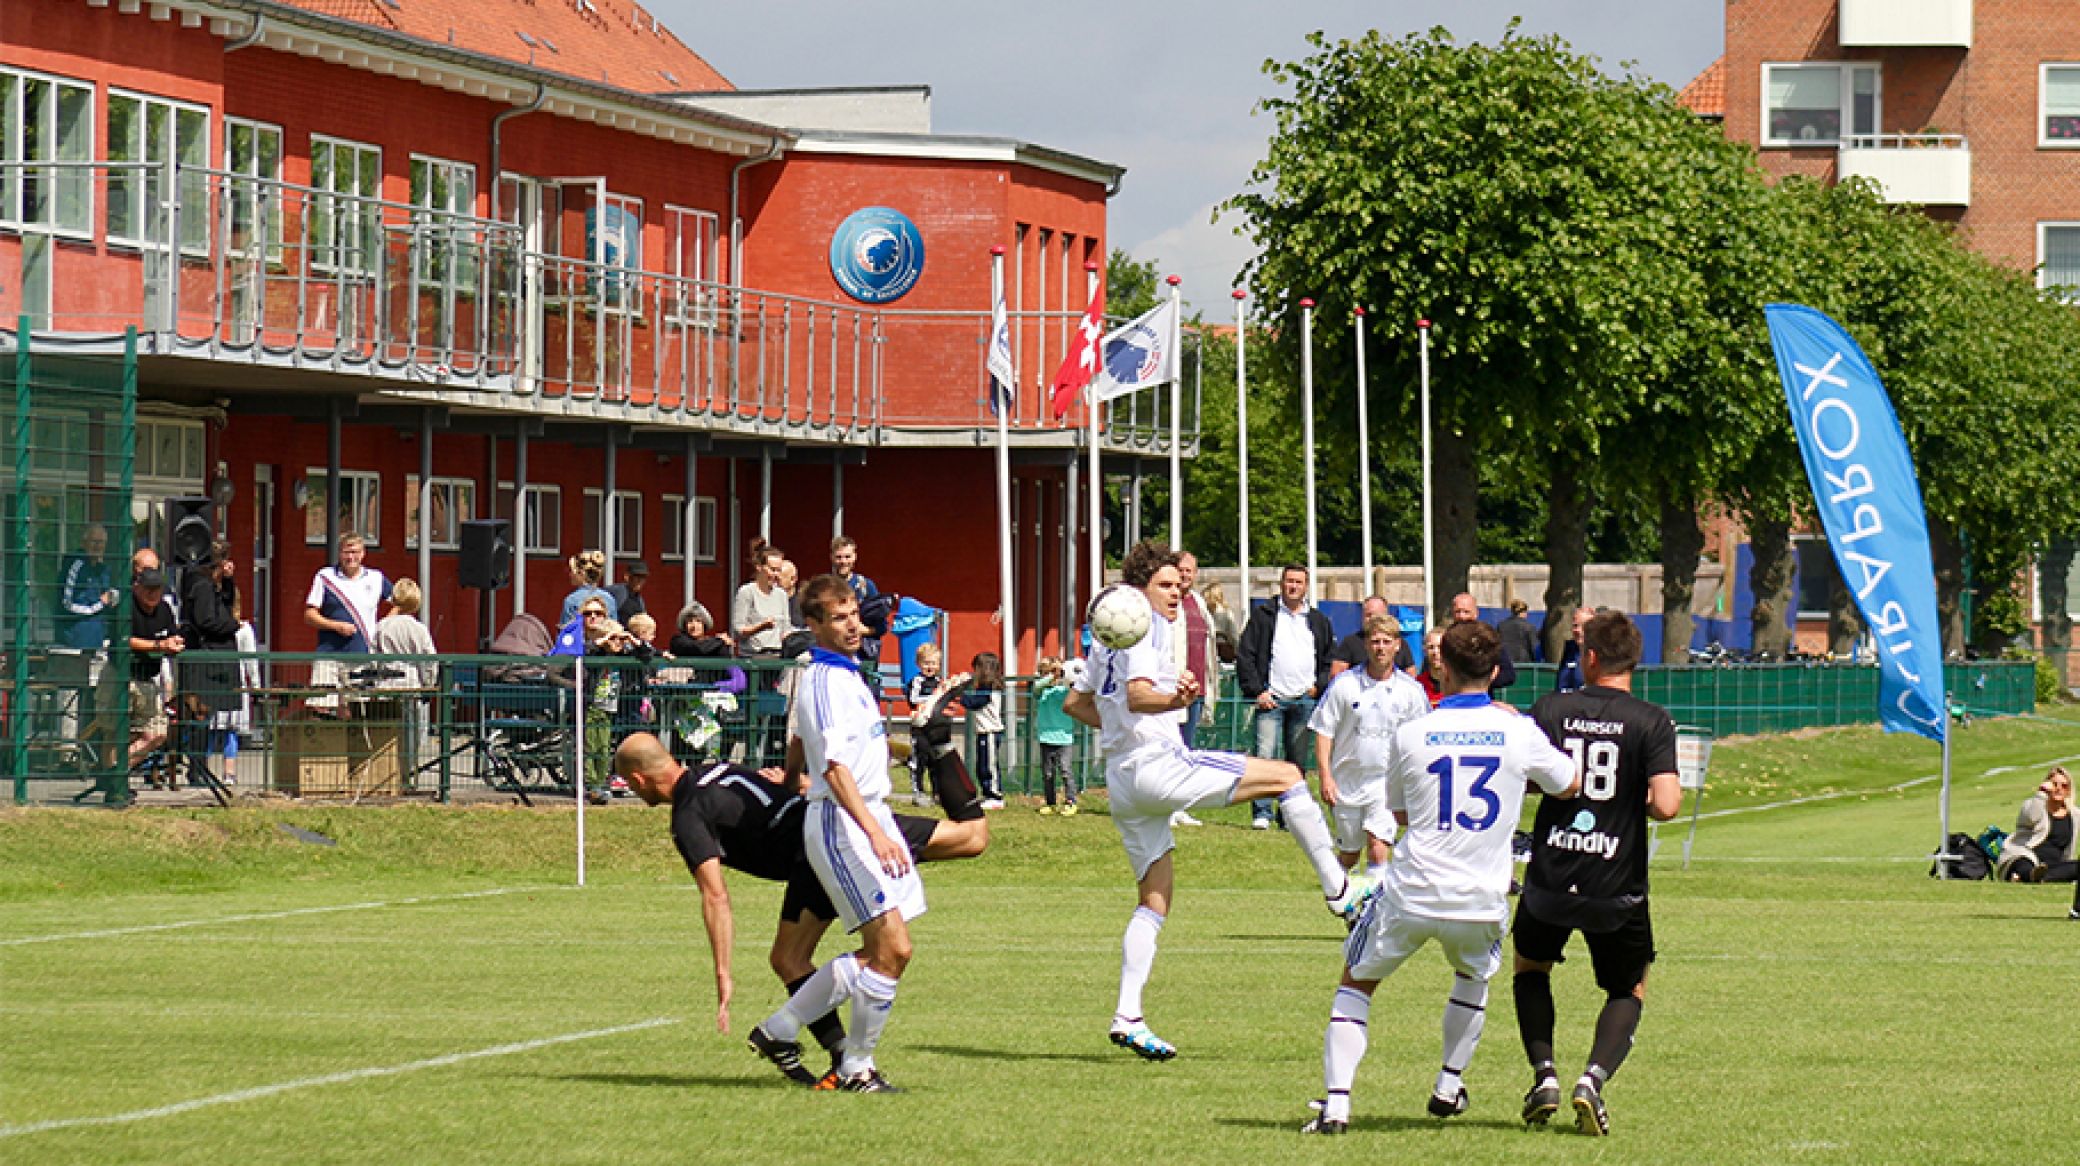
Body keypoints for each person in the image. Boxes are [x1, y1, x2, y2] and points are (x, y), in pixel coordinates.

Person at [1064, 541, 1368, 1062]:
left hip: (1124, 782)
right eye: (1165, 584)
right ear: (1139, 588)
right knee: (1288, 775)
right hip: (1158, 767)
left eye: (1178, 585)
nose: (1176, 592)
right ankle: (1339, 891)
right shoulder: (1139, 623)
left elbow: (1077, 703)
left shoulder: (1107, 638)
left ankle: (1128, 1015)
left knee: (1154, 899)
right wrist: (1172, 701)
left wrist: (1128, 726)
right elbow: (1138, 696)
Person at [1301, 620, 1580, 1136]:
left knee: (1357, 983)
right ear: (1496, 673)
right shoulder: (1518, 730)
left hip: (1413, 889)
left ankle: (1337, 1105)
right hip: (1481, 896)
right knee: (1473, 978)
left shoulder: (1412, 733)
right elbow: (1568, 783)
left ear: (1440, 667)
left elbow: (1399, 813)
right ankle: (1449, 1084)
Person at [614, 733, 986, 1085]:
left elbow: (716, 897)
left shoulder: (688, 815)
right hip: (819, 837)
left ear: (637, 778)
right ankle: (836, 1053)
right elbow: (775, 791)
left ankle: (938, 745)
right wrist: (801, 783)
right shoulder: (721, 769)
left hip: (826, 847)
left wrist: (723, 974)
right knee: (788, 959)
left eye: (628, 784)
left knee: (885, 945)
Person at [744, 574, 918, 1093]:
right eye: (837, 617)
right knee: (893, 950)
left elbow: (807, 743)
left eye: (853, 614)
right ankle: (855, 1067)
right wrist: (875, 834)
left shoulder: (847, 675)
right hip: (845, 823)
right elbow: (836, 767)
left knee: (884, 952)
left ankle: (779, 1031)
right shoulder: (820, 679)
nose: (851, 624)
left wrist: (794, 767)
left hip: (869, 816)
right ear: (814, 625)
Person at [1515, 610, 1682, 1136]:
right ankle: (1592, 1078)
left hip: (1551, 874)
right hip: (1616, 880)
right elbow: (1668, 805)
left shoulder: (1551, 709)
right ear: (1633, 660)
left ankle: (1544, 1076)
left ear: (1589, 658)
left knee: (1530, 968)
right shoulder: (1651, 721)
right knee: (1628, 987)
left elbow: (1523, 779)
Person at [1310, 615, 1429, 892]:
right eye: (1375, 641)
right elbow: (1323, 731)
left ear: (1398, 645)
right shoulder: (1344, 685)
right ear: (1365, 645)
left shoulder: (1411, 691)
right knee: (1350, 853)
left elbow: (1421, 739)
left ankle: (1373, 914)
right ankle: (1340, 899)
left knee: (1378, 847)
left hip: (1386, 783)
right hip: (1347, 781)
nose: (1381, 648)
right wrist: (1326, 776)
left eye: (1387, 642)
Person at [1236, 564, 1335, 829]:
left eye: (1298, 582)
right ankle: (1262, 813)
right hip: (1271, 698)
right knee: (1265, 758)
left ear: (1306, 586)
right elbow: (1245, 654)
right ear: (1281, 584)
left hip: (1304, 699)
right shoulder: (1264, 616)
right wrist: (1257, 690)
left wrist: (1318, 687)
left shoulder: (1317, 621)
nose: (1293, 586)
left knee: (1297, 763)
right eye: (1289, 581)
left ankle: (1290, 815)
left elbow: (1328, 660)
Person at [303, 532, 391, 710]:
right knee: (321, 708)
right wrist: (336, 626)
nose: (351, 557)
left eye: (355, 552)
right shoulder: (325, 577)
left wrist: (383, 625)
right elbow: (309, 615)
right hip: (328, 655)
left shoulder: (376, 578)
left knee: (359, 711)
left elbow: (402, 601)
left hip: (362, 655)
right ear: (339, 554)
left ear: (363, 553)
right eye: (346, 552)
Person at [107, 567, 183, 775]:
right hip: (119, 676)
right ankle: (115, 785)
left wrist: (176, 642)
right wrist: (158, 646)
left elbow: (172, 635)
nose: (153, 594)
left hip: (148, 678)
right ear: (137, 587)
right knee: (115, 733)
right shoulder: (125, 606)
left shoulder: (165, 610)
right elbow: (124, 640)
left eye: (157, 589)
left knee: (157, 733)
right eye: (148, 588)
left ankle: (115, 772)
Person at [178, 540, 241, 784]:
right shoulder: (201, 586)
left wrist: (228, 581)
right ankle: (196, 769)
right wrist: (234, 626)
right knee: (199, 715)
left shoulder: (213, 585)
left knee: (205, 715)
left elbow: (226, 603)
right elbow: (206, 620)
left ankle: (199, 768)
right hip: (206, 657)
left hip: (215, 656)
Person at [375, 578, 439, 786]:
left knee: (387, 736)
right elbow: (429, 662)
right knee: (412, 737)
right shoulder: (419, 629)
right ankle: (408, 778)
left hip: (386, 684)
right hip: (411, 684)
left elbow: (372, 656)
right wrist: (428, 685)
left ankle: (385, 777)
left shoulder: (381, 627)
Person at [1998, 767, 2078, 883]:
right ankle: (2031, 875)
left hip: (2052, 865)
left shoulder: (2075, 815)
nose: (2059, 789)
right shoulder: (2034, 805)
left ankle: (2035, 877)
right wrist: (2041, 793)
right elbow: (2031, 815)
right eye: (2055, 785)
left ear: (2069, 791)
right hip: (2024, 855)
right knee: (2023, 864)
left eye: (2064, 786)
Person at [831, 536, 893, 669]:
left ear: (855, 557)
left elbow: (882, 626)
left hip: (861, 658)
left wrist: (863, 630)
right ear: (832, 557)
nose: (843, 561)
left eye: (847, 557)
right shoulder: (825, 587)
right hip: (832, 655)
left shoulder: (866, 586)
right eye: (839, 557)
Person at [1174, 553, 1215, 748]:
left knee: (1187, 747)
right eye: (1180, 570)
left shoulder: (1199, 603)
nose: (1184, 575)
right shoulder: (1169, 603)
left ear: (1195, 574)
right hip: (1173, 690)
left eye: (1188, 571)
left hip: (1197, 690)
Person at [959, 651, 1006, 809]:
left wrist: (961, 694)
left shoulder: (989, 689)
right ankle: (987, 793)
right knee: (982, 765)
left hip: (991, 731)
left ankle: (995, 795)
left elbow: (973, 703)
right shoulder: (984, 688)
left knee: (989, 765)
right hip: (983, 732)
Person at [1033, 655, 1079, 815]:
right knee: (1048, 773)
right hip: (1045, 736)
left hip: (1064, 737)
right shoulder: (1041, 692)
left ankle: (1071, 801)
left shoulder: (1064, 690)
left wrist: (1064, 676)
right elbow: (1037, 687)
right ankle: (1050, 802)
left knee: (1066, 771)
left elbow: (1076, 688)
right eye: (1047, 672)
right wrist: (1052, 675)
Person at [1330, 596, 1415, 678]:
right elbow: (1336, 675)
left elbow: (1411, 674)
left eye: (1377, 615)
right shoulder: (1350, 643)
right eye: (1368, 615)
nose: (1372, 619)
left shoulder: (1400, 644)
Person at [1449, 592, 1516, 692]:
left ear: (1476, 613)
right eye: (1457, 611)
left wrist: (1479, 681)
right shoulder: (1445, 639)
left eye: (1466, 612)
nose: (1462, 616)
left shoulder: (1488, 639)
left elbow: (1508, 675)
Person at [732, 541, 789, 656]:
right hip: (753, 657)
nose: (776, 575)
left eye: (779, 570)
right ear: (759, 567)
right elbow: (739, 630)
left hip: (777, 656)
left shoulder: (781, 594)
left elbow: (785, 628)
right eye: (772, 570)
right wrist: (761, 627)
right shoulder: (747, 592)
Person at [559, 550, 617, 626]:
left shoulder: (571, 600)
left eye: (571, 571)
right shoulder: (609, 599)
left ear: (580, 573)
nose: (570, 575)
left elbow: (566, 632)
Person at [1553, 606, 1596, 694]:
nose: (1579, 630)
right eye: (1575, 625)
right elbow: (1561, 686)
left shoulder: (1603, 652)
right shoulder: (1569, 649)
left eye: (1585, 626)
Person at [669, 603, 734, 658]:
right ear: (684, 625)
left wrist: (720, 642)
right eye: (690, 621)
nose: (694, 625)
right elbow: (697, 648)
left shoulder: (714, 643)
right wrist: (721, 640)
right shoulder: (677, 640)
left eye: (698, 621)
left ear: (704, 624)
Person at [1498, 598, 1540, 665]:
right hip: (1524, 665)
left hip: (1505, 663)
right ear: (1523, 612)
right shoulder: (1529, 627)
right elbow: (1535, 649)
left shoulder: (1501, 626)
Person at [1419, 626, 1446, 705]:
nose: (1435, 652)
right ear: (1425, 650)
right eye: (1431, 647)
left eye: (1440, 647)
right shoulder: (1417, 685)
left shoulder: (1457, 685)